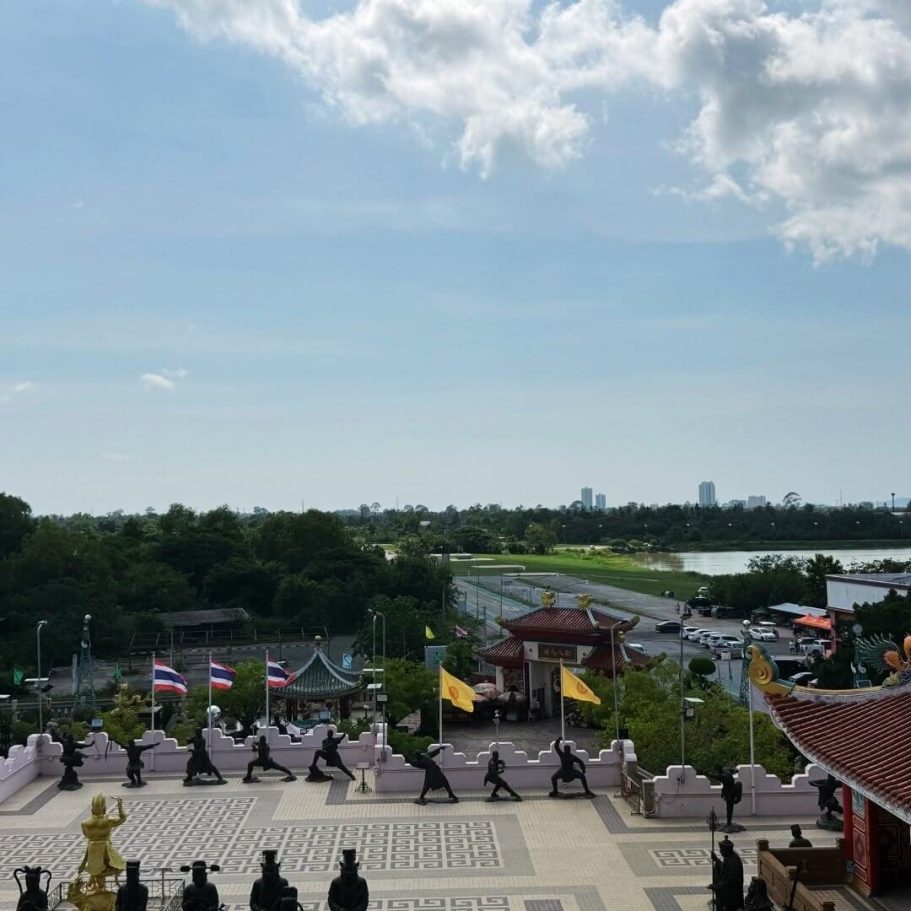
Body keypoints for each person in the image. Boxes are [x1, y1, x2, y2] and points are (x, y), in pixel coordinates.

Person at [78, 795, 127, 893]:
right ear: (104, 807)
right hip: (106, 847)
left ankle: (96, 879)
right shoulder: (108, 820)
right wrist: (120, 806)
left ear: (92, 808)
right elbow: (122, 819)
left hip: (92, 848)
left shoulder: (85, 823)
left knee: (97, 869)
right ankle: (98, 880)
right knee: (120, 866)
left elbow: (86, 835)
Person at [709, 837, 744, 911]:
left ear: (727, 850)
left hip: (732, 895)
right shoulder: (728, 857)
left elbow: (730, 881)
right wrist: (716, 860)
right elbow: (724, 870)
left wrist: (716, 886)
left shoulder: (734, 861)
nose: (720, 852)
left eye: (722, 850)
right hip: (727, 892)